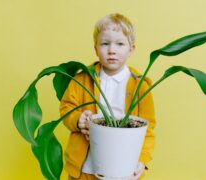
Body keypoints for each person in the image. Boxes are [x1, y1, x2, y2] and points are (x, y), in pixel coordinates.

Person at [60, 13, 156, 180]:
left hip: (124, 166)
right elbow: (66, 107)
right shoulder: (82, 79)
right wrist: (78, 119)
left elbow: (147, 129)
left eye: (120, 44)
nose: (112, 50)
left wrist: (142, 160)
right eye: (105, 44)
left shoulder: (140, 86)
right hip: (86, 167)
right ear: (96, 49)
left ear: (131, 49)